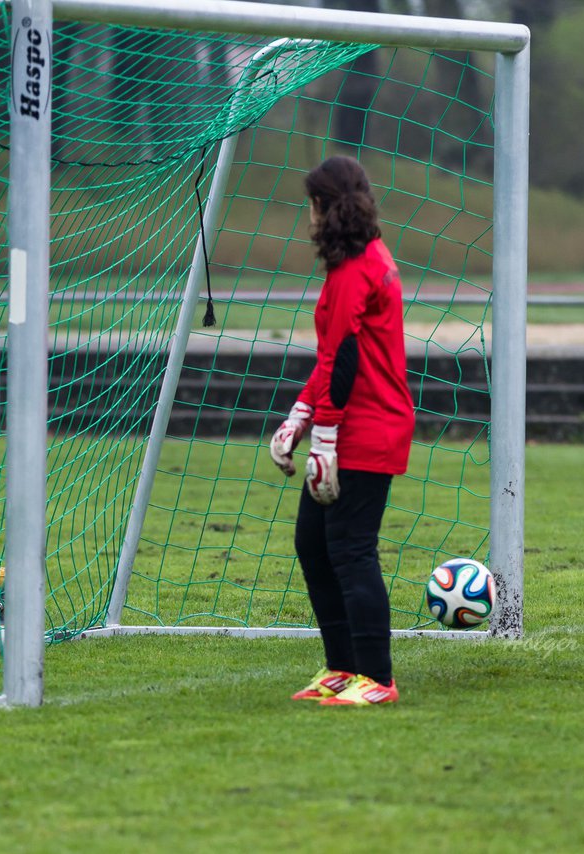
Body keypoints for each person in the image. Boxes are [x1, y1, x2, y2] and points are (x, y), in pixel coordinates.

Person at [268, 155, 415, 707]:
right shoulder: (359, 258)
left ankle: (377, 678)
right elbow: (333, 355)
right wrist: (298, 417)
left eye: (311, 203)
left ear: (323, 206)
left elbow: (347, 361)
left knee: (352, 551)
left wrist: (323, 440)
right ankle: (342, 666)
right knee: (314, 544)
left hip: (368, 427)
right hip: (351, 421)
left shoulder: (356, 269)